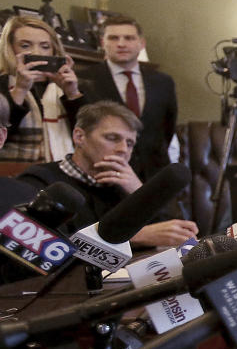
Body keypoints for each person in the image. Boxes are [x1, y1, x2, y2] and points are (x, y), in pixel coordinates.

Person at [18, 101, 198, 247]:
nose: (123, 150)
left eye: (129, 143)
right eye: (112, 138)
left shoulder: (124, 183)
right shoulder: (39, 179)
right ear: (79, 137)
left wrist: (140, 193)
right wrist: (132, 237)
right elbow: (44, 245)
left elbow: (171, 230)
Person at [77, 15, 178, 182]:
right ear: (103, 43)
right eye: (114, 38)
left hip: (154, 173)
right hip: (105, 172)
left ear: (141, 43)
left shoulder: (163, 82)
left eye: (129, 38)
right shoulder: (85, 80)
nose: (121, 44)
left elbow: (168, 128)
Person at [0, 15, 85, 163]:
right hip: (13, 174)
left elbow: (89, 135)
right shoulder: (3, 83)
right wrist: (20, 89)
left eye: (45, 46)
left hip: (59, 175)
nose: (37, 52)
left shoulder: (68, 85)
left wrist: (72, 94)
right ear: (10, 48)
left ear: (54, 50)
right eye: (25, 46)